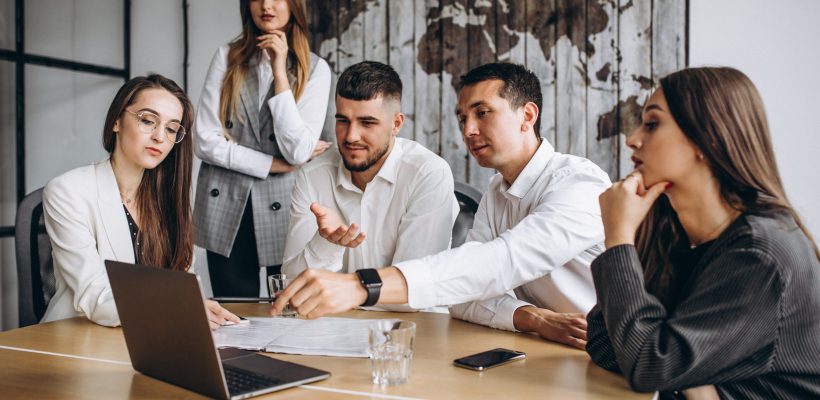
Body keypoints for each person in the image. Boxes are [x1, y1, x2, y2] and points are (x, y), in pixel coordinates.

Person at [271, 63, 612, 349]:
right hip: (543, 348)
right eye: (463, 117)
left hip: (606, 350)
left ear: (527, 116)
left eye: (482, 113)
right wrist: (533, 318)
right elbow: (466, 297)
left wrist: (362, 285)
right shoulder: (496, 190)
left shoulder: (579, 184)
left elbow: (502, 262)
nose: (468, 130)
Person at [586, 67, 820, 398]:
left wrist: (619, 238)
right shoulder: (667, 225)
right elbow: (603, 342)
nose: (632, 139)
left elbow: (648, 365)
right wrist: (691, 380)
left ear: (705, 139)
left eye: (651, 124)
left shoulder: (760, 253)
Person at [42, 74, 239, 329]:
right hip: (79, 338)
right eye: (148, 121)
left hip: (151, 336)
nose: (160, 136)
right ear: (116, 121)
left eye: (171, 129)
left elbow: (181, 284)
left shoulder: (169, 200)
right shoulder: (68, 192)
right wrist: (179, 307)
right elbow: (95, 296)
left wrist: (194, 305)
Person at [281, 61, 458, 312]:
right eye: (343, 121)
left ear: (396, 124)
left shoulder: (428, 173)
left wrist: (344, 289)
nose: (351, 136)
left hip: (414, 331)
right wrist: (326, 243)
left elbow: (411, 293)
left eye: (367, 123)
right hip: (334, 330)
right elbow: (292, 285)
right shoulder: (313, 175)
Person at [194, 0, 331, 297]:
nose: (266, 5)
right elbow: (204, 140)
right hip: (226, 202)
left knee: (288, 311)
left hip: (286, 205)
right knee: (233, 314)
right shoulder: (227, 56)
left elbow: (295, 152)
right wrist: (270, 164)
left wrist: (280, 72)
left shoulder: (316, 68)